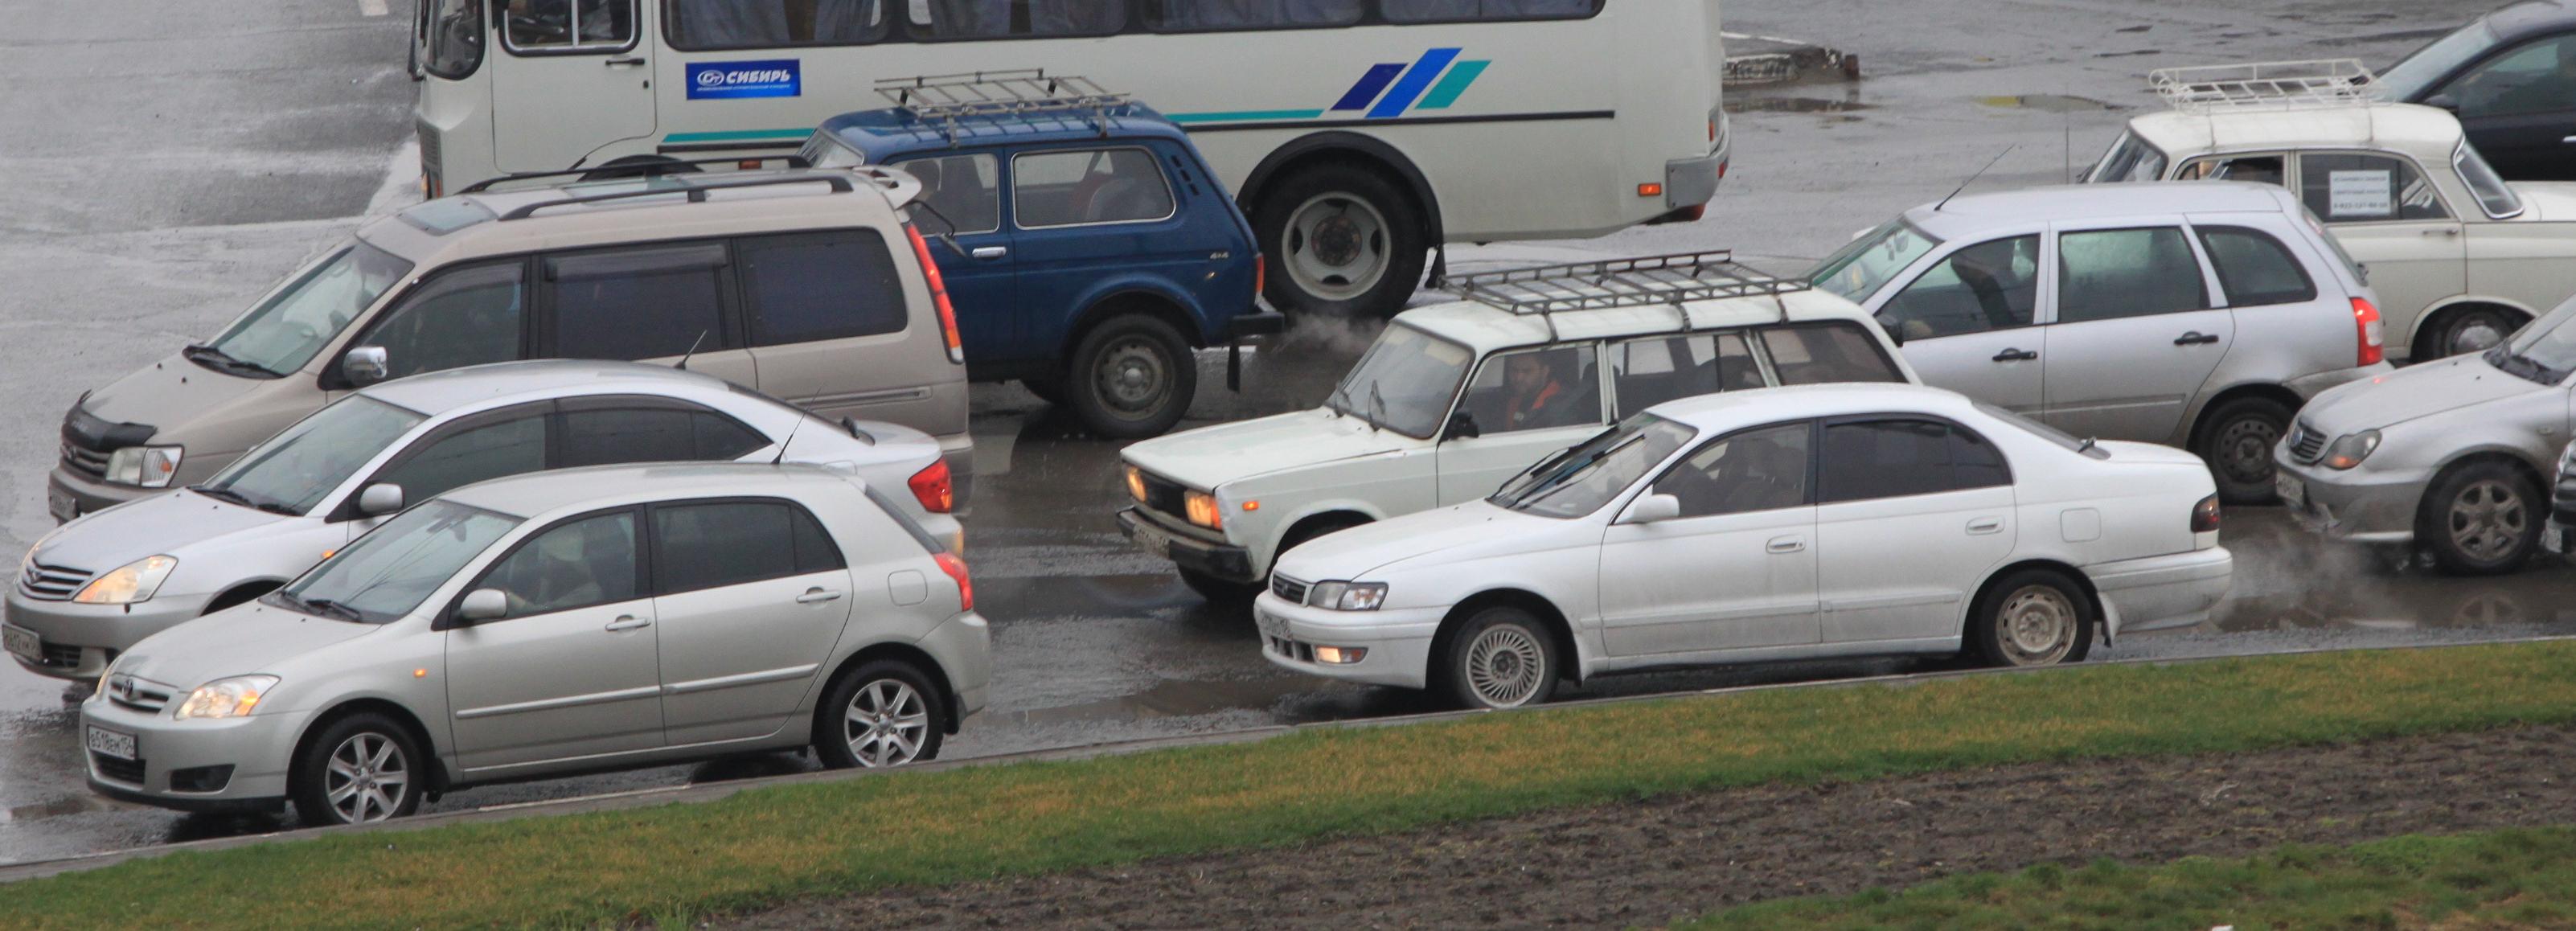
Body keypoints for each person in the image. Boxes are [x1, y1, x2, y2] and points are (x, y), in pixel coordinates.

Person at [1502, 352, 1579, 431]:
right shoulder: (1513, 400)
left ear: (1544, 371)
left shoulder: (1562, 404)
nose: (1518, 378)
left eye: (1527, 371)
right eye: (1514, 370)